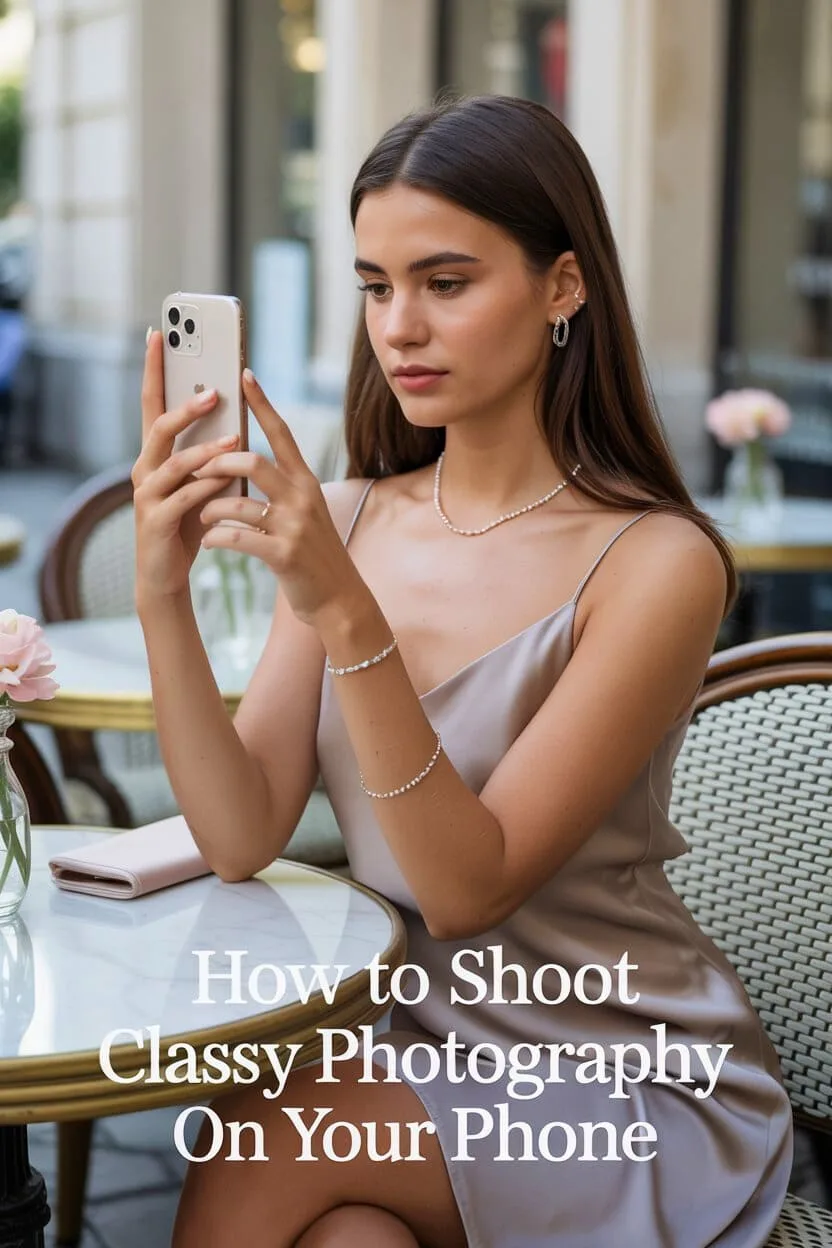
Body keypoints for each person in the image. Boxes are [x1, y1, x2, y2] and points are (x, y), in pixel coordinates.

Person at [133, 95, 793, 1247]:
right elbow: (241, 833)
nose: (399, 328)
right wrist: (160, 594)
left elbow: (465, 889)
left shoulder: (654, 563)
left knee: (269, 1127)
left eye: (445, 282)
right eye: (376, 287)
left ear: (562, 286)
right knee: (349, 1239)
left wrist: (344, 608)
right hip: (415, 1045)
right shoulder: (348, 515)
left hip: (615, 1069)